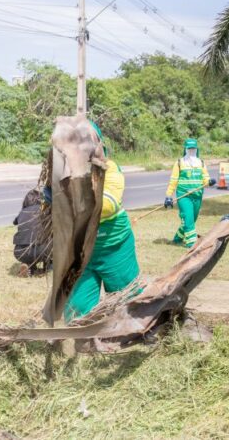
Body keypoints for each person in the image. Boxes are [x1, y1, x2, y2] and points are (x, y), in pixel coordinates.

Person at [64, 122, 142, 322]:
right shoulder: (67, 172)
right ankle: (84, 337)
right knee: (76, 308)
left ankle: (139, 330)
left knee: (127, 301)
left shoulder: (111, 169)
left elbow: (107, 205)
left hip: (114, 248)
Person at [164, 139, 216, 248]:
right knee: (188, 217)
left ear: (196, 149)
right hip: (184, 196)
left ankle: (178, 238)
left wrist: (209, 182)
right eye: (189, 149)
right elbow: (173, 180)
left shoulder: (201, 163)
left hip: (197, 196)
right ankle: (191, 244)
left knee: (192, 219)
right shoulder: (179, 163)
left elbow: (205, 179)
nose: (191, 151)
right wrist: (168, 196)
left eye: (193, 149)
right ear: (185, 149)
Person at [12, 189, 51, 277]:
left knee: (29, 254)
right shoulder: (45, 210)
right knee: (50, 244)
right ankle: (48, 268)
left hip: (20, 252)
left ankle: (30, 268)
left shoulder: (22, 212)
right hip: (42, 250)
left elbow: (15, 222)